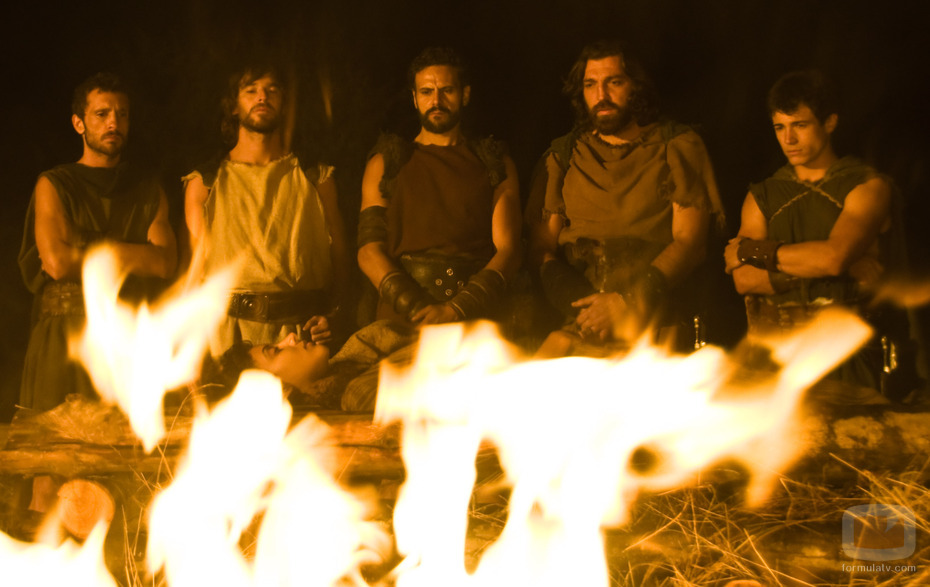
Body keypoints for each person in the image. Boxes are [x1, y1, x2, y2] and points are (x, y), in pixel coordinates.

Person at [527, 40, 724, 352]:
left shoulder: (676, 146)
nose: (601, 95)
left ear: (636, 85)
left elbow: (691, 242)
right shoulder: (564, 156)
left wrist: (627, 301)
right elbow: (540, 248)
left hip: (657, 325)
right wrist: (586, 309)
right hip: (585, 322)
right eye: (590, 85)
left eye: (614, 82)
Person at [724, 70, 909, 400]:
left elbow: (833, 257)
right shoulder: (763, 195)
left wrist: (753, 251)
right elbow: (745, 280)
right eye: (779, 127)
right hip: (773, 359)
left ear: (830, 122)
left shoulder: (866, 186)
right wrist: (833, 270)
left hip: (846, 358)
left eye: (800, 125)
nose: (788, 139)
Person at [18, 72, 177, 411]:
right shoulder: (54, 184)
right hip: (63, 339)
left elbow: (164, 263)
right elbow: (57, 263)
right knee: (52, 441)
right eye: (102, 114)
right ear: (79, 123)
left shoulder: (148, 190)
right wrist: (135, 253)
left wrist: (84, 248)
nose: (113, 123)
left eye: (122, 114)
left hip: (127, 338)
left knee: (126, 442)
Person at [184, 61, 349, 356]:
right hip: (230, 338)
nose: (262, 97)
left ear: (284, 103)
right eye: (251, 90)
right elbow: (194, 272)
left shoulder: (316, 178)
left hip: (302, 335)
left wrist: (335, 315)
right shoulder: (205, 184)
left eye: (272, 90)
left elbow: (340, 255)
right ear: (234, 106)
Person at [357, 47, 522, 327]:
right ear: (414, 98)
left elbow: (509, 250)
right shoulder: (386, 162)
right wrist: (415, 307)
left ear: (465, 95)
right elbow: (368, 250)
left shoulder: (494, 163)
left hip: (473, 321)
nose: (436, 101)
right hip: (402, 320)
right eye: (426, 92)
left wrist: (457, 308)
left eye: (447, 90)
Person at [216, 320, 417, 412]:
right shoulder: (360, 395)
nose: (291, 337)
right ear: (280, 390)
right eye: (276, 351)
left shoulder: (352, 361)